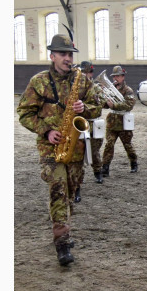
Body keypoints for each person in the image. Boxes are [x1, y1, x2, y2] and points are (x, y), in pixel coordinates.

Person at [17, 34, 102, 266]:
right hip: (50, 148)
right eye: (62, 54)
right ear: (52, 56)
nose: (67, 58)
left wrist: (86, 107)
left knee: (71, 191)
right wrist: (46, 131)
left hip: (75, 147)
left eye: (70, 54)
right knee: (58, 190)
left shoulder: (82, 81)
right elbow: (24, 113)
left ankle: (63, 228)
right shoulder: (39, 82)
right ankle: (62, 243)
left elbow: (98, 109)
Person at [101, 65, 138, 175]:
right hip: (112, 122)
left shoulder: (128, 90)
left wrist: (114, 105)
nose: (115, 79)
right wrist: (105, 101)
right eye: (114, 77)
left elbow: (129, 105)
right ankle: (105, 167)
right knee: (109, 144)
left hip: (124, 121)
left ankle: (134, 163)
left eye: (118, 76)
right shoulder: (111, 89)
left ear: (123, 77)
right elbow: (106, 106)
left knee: (127, 144)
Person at [79, 61, 107, 184]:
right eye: (83, 72)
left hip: (93, 124)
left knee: (94, 152)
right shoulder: (75, 88)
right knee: (78, 153)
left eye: (89, 72)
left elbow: (100, 106)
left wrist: (84, 107)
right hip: (79, 124)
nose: (86, 75)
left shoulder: (96, 88)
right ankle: (78, 179)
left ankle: (98, 172)